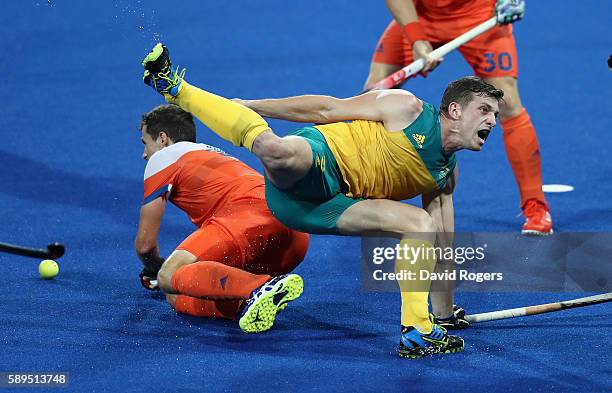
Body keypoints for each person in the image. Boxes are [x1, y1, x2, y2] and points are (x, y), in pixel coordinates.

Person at [141, 43, 503, 359]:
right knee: (277, 151)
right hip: (319, 160)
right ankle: (177, 87)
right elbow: (328, 109)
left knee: (420, 227)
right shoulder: (406, 108)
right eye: (485, 110)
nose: (493, 120)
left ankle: (417, 330)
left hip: (324, 208)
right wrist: (252, 106)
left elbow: (441, 247)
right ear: (455, 110)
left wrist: (444, 313)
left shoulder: (445, 176)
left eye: (496, 115)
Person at [364, 0, 552, 236]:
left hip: (478, 14)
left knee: (508, 104)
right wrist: (416, 37)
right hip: (422, 15)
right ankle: (365, 191)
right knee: (375, 93)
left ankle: (536, 207)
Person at [134, 104, 310, 333]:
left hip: (248, 219)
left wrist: (155, 269)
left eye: (145, 143)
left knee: (170, 276)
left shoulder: (164, 157)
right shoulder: (210, 153)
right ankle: (248, 303)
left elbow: (145, 245)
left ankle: (259, 287)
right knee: (176, 296)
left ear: (163, 139)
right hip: (293, 237)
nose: (144, 154)